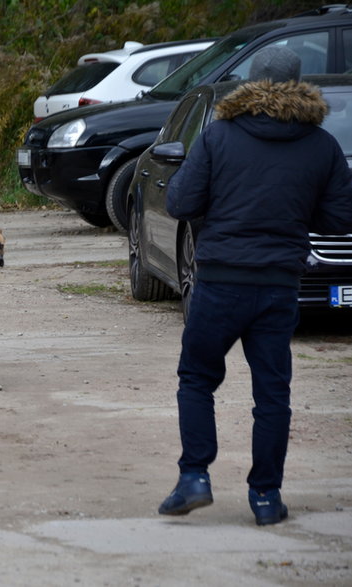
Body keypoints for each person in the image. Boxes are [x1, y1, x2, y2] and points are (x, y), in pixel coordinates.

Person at [158, 46, 352, 525]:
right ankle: (266, 496)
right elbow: (341, 216)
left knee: (198, 379)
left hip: (220, 282)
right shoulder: (321, 145)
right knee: (272, 394)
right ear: (299, 84)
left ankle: (195, 477)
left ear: (251, 81)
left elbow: (181, 202)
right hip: (278, 287)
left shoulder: (219, 136)